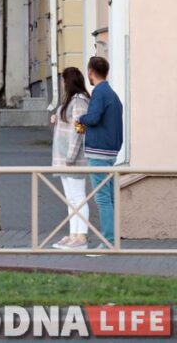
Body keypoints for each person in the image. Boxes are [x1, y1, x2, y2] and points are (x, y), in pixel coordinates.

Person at [76, 56, 124, 248]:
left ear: (90, 72)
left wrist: (81, 118)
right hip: (111, 152)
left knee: (102, 198)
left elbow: (94, 118)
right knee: (110, 197)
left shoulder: (99, 93)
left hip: (99, 153)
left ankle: (108, 241)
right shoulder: (112, 94)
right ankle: (112, 240)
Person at [50, 67, 91, 250]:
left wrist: (71, 156)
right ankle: (73, 233)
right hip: (64, 157)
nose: (61, 83)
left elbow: (78, 129)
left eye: (63, 80)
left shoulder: (79, 101)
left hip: (72, 158)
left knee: (78, 197)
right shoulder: (70, 101)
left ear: (69, 81)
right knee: (70, 199)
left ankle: (81, 237)